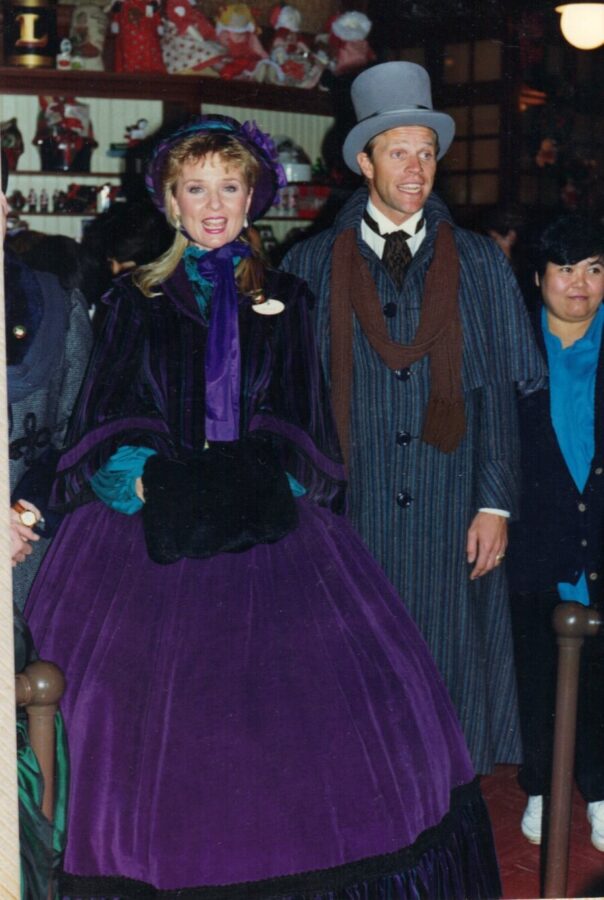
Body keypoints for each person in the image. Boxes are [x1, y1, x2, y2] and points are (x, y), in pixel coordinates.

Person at [25, 114, 501, 898]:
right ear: (172, 202)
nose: (214, 206)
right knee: (127, 721)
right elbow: (106, 411)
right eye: (196, 189)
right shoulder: (131, 299)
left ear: (254, 198)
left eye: (230, 187)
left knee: (315, 728)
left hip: (270, 525)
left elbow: (303, 413)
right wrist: (149, 479)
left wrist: (258, 481)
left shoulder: (290, 296)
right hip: (147, 526)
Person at [282, 61, 547, 774]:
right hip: (350, 506)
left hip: (450, 505)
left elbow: (500, 395)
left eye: (427, 152)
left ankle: (443, 818)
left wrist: (495, 502)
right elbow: (290, 406)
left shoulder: (479, 264)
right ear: (364, 161)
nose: (417, 167)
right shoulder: (309, 266)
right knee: (353, 679)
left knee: (448, 679)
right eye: (399, 151)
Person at [507, 214, 604, 850]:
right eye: (565, 269)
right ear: (538, 277)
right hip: (534, 538)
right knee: (535, 669)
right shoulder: (514, 345)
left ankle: (599, 792)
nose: (580, 284)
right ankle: (540, 786)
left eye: (594, 269)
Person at [2, 160, 93, 609]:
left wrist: (23, 513)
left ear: (3, 208)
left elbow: (80, 440)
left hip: (27, 549)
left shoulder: (57, 306)